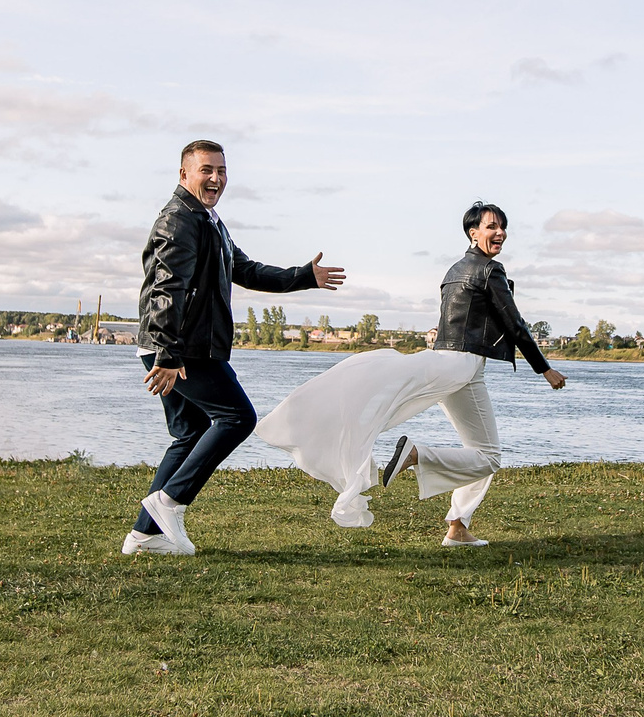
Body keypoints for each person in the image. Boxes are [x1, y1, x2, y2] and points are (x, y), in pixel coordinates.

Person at [257, 201, 565, 544]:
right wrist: (544, 368)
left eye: (502, 227)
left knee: (478, 451)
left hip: (449, 363)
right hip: (462, 366)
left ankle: (458, 527)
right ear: (473, 232)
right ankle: (417, 456)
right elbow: (515, 323)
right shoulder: (490, 271)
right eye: (492, 227)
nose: (500, 233)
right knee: (489, 456)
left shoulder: (453, 270)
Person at [125, 139, 345, 556]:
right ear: (184, 174)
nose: (216, 178)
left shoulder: (208, 220)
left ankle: (144, 535)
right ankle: (169, 502)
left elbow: (243, 269)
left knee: (188, 433)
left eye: (222, 170)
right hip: (182, 351)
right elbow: (167, 289)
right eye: (206, 169)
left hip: (178, 348)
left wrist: (303, 276)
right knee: (238, 417)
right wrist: (168, 356)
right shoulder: (179, 221)